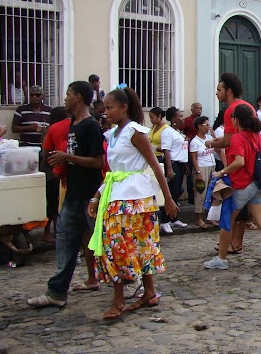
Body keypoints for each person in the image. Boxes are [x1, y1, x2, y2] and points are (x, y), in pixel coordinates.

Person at [87, 86, 178, 319]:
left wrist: (168, 199)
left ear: (124, 108)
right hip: (117, 196)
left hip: (136, 199)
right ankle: (147, 292)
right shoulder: (113, 135)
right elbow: (113, 173)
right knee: (125, 248)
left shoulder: (135, 132)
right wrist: (97, 196)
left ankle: (120, 300)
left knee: (132, 247)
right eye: (105, 108)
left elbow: (154, 166)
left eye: (110, 107)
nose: (105, 112)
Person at [27, 81, 105, 308]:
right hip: (73, 194)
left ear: (78, 97)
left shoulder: (91, 126)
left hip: (90, 195)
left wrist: (66, 158)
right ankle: (57, 292)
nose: (65, 98)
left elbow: (97, 161)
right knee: (65, 242)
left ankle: (133, 280)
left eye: (68, 94)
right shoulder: (73, 123)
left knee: (105, 242)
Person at [203, 104, 261, 270]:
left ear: (236, 120)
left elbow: (239, 162)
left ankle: (221, 259)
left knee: (227, 221)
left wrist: (222, 172)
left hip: (242, 184)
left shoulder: (238, 138)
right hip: (258, 184)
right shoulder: (257, 136)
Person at [205, 73, 255, 250]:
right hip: (251, 162)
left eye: (219, 89)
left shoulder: (230, 110)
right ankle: (236, 242)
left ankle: (227, 244)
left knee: (232, 206)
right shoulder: (248, 106)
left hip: (237, 162)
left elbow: (227, 140)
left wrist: (211, 142)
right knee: (244, 208)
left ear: (229, 91)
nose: (216, 93)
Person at [159, 107, 188, 233]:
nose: (182, 118)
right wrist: (169, 169)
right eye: (180, 116)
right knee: (172, 191)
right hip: (173, 164)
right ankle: (165, 220)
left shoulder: (179, 132)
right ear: (173, 118)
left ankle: (174, 217)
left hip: (181, 164)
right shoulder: (167, 131)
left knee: (177, 192)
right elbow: (167, 150)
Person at [41, 106, 68, 244]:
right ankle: (48, 232)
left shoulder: (52, 129)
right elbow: (45, 153)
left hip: (54, 171)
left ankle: (56, 232)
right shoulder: (51, 131)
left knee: (55, 203)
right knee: (53, 204)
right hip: (51, 172)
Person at [189, 116, 215, 228]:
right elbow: (194, 158)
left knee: (211, 192)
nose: (208, 127)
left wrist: (212, 131)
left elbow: (218, 144)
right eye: (206, 125)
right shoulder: (195, 141)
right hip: (202, 167)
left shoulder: (209, 138)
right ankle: (198, 217)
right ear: (199, 126)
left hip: (211, 165)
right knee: (201, 192)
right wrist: (198, 171)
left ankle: (209, 215)